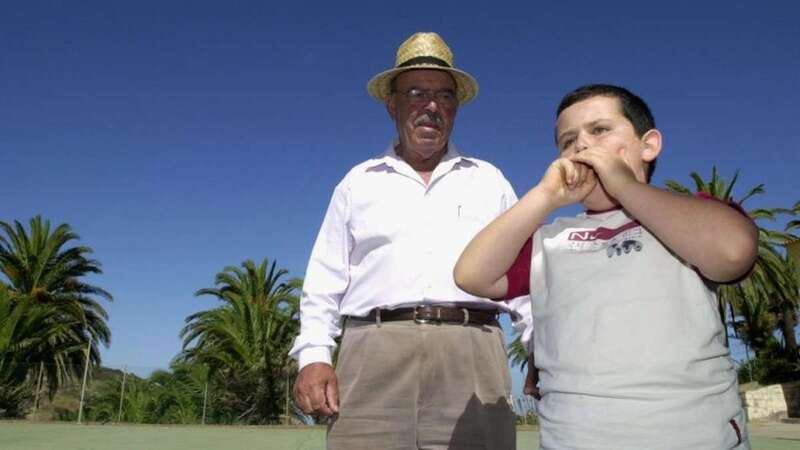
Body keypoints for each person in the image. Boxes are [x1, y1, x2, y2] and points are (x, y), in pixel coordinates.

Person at [454, 84, 758, 449]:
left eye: (599, 130)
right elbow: (471, 274)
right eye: (568, 141)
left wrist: (625, 186)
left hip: (695, 435)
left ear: (649, 145)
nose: (581, 145)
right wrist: (544, 197)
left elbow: (732, 251)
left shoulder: (689, 216)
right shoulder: (549, 241)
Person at [289, 32, 532, 450]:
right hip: (373, 355)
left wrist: (539, 351)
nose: (432, 106)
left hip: (472, 355)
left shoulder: (489, 181)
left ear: (455, 108)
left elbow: (522, 275)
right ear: (392, 105)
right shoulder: (357, 183)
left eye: (444, 96)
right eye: (416, 92)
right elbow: (324, 281)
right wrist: (313, 356)